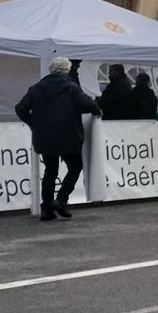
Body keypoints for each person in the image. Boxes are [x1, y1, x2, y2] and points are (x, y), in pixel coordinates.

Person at [16, 57, 101, 221]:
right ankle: (61, 200)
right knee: (75, 167)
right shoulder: (71, 87)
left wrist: (33, 123)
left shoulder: (36, 88)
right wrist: (97, 109)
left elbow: (20, 108)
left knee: (50, 171)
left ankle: (47, 208)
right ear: (67, 71)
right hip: (68, 135)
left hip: (45, 137)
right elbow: (87, 104)